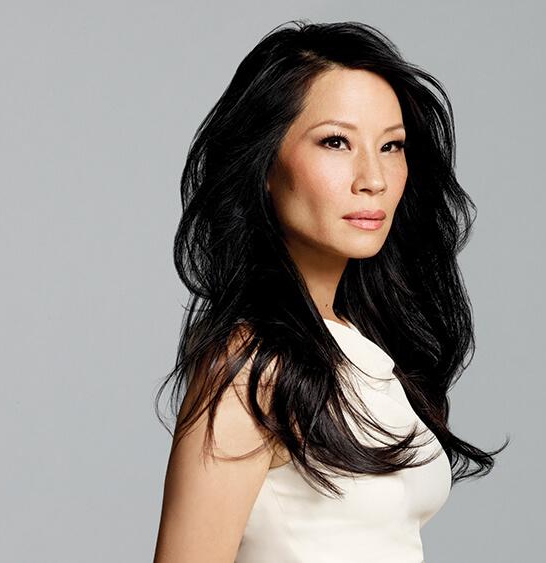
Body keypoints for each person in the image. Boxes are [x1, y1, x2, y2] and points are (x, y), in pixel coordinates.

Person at [152, 19, 510, 562]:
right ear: (264, 164)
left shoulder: (361, 349)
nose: (374, 178)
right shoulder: (250, 367)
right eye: (336, 142)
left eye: (391, 146)